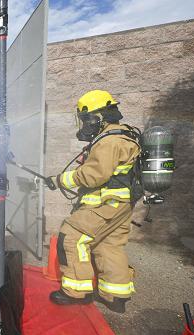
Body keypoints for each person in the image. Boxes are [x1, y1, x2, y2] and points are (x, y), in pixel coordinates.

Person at [50, 90, 141, 313]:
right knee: (109, 245)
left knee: (71, 236)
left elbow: (93, 176)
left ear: (100, 116)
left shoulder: (109, 141)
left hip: (105, 204)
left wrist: (60, 180)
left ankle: (76, 292)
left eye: (87, 118)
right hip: (120, 205)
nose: (86, 123)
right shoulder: (122, 136)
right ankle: (115, 295)